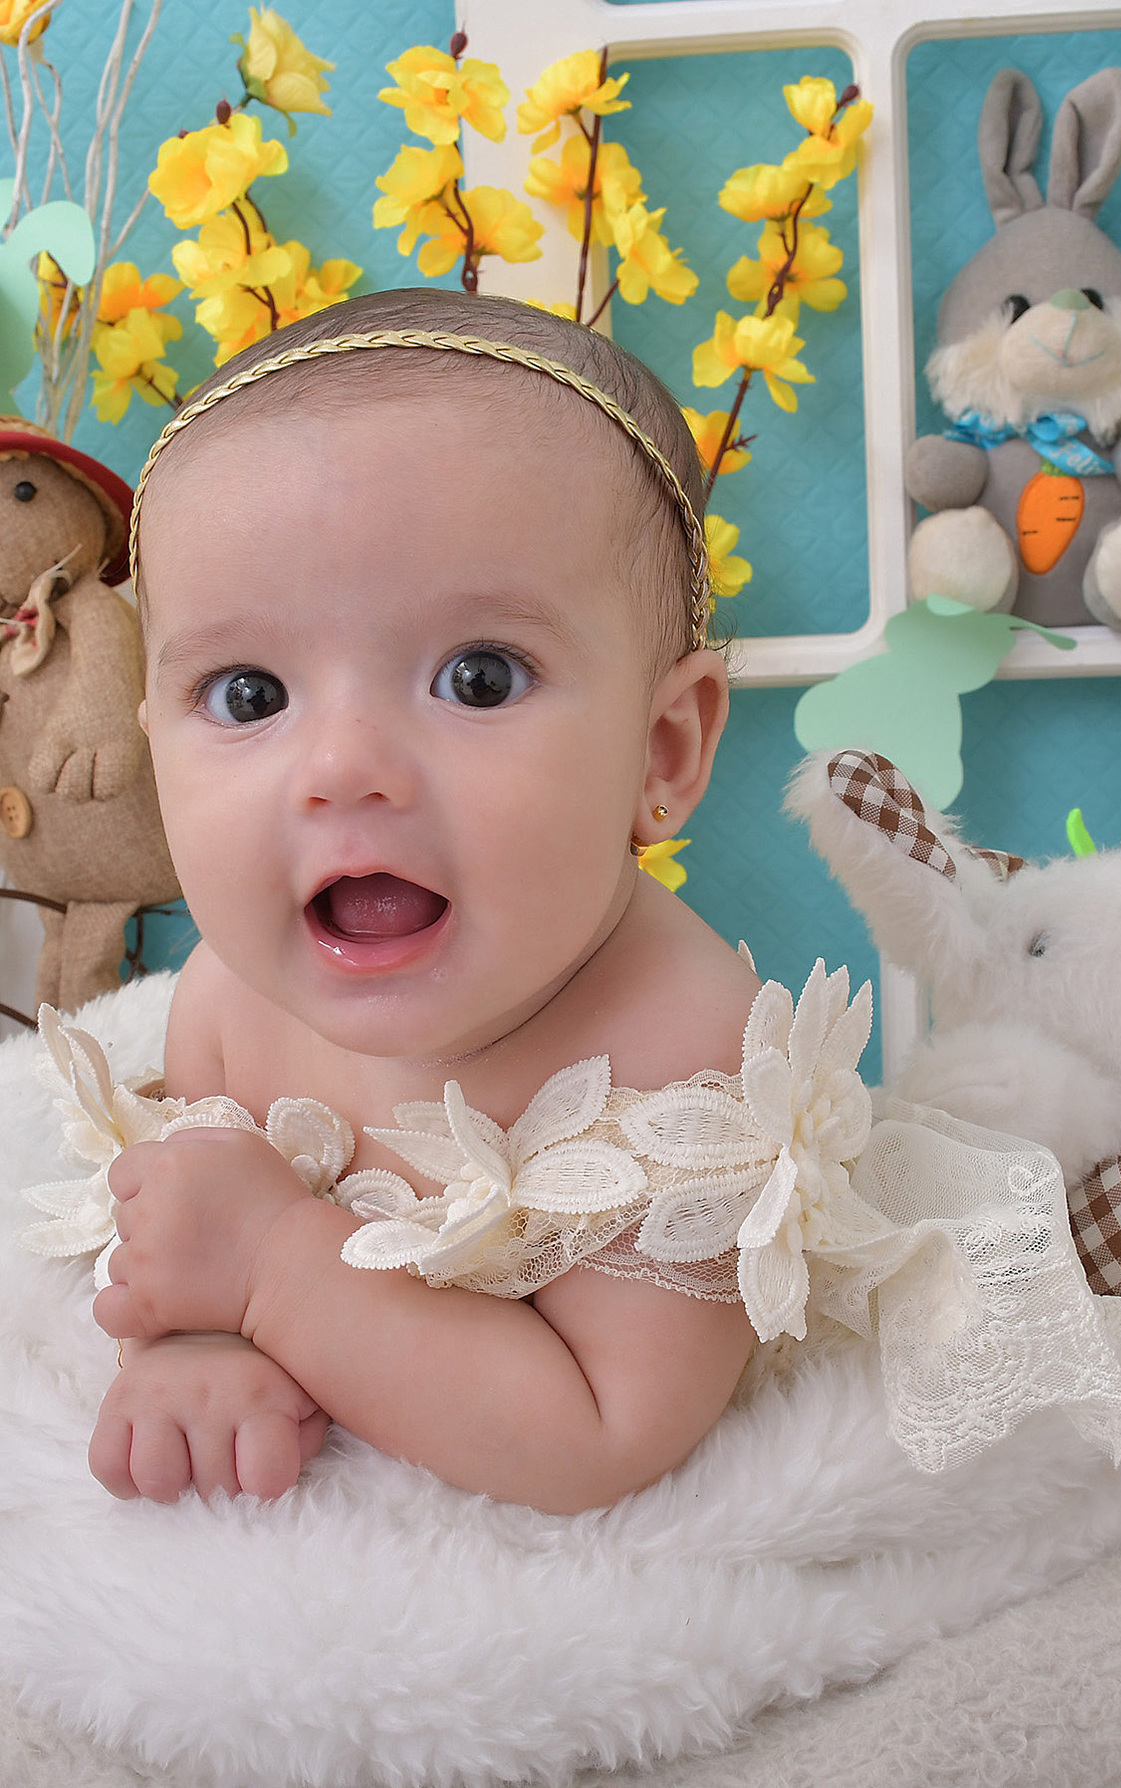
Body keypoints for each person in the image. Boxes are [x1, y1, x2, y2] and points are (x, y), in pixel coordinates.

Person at [83, 286, 778, 1514]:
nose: (345, 766)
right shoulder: (226, 1003)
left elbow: (601, 1435)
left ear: (662, 749)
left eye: (479, 677)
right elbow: (187, 1227)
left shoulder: (682, 1056)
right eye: (250, 695)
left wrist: (274, 1271)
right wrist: (196, 1335)